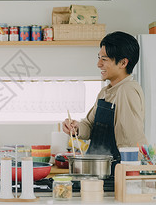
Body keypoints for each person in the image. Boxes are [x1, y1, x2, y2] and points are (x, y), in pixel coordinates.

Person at [62, 31, 148, 165]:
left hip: (115, 170)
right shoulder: (105, 92)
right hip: (100, 170)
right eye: (99, 58)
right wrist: (76, 128)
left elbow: (132, 139)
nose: (98, 64)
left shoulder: (127, 90)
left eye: (104, 59)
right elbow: (90, 125)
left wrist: (131, 176)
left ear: (123, 63)